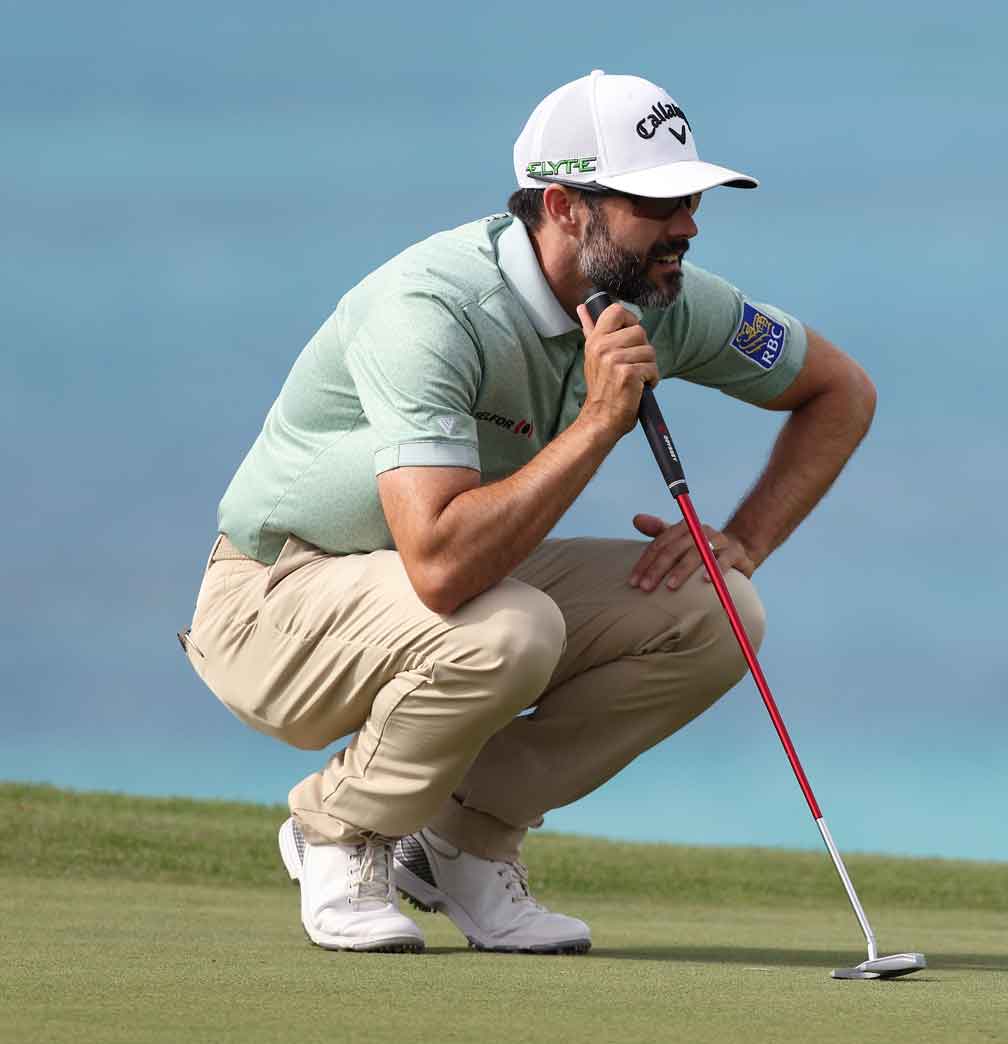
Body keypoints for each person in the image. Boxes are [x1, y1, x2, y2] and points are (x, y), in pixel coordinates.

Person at [178, 70, 876, 954]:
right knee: (512, 629)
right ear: (563, 206)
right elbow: (440, 565)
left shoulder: (663, 299)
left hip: (454, 585)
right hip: (274, 603)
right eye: (656, 204)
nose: (688, 226)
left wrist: (745, 539)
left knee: (717, 611)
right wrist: (598, 423)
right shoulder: (432, 309)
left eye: (692, 199)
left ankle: (459, 844)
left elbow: (840, 393)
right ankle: (338, 830)